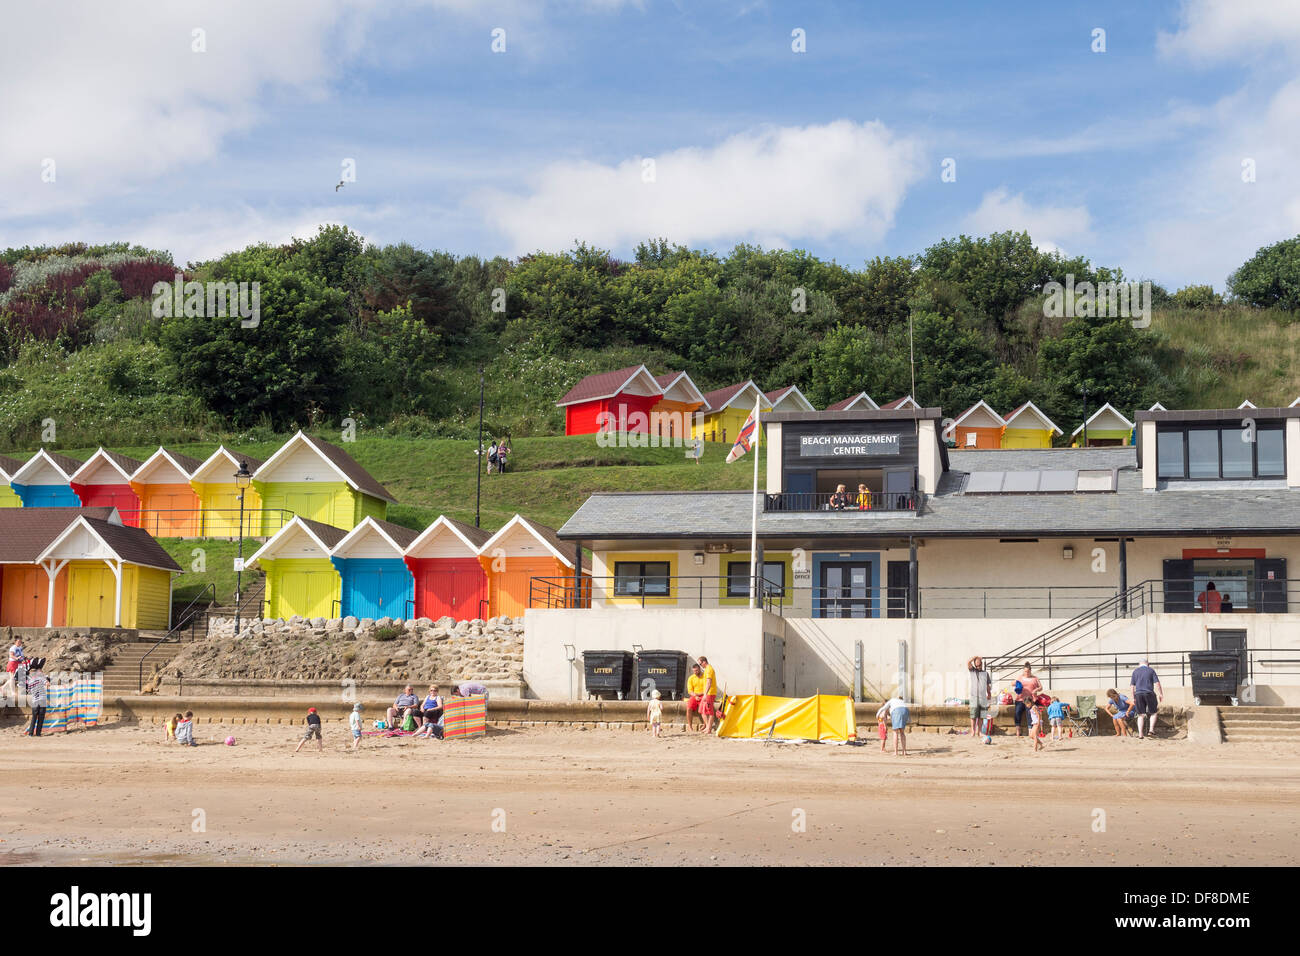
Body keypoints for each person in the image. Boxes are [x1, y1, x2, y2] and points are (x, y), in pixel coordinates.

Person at [1129, 659, 1164, 739]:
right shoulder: (1151, 670)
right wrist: (1161, 694)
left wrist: (1133, 697)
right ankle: (1151, 730)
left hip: (1138, 694)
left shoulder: (1135, 671)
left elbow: (1132, 686)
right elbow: (1157, 683)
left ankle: (1140, 734)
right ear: (1147, 664)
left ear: (1139, 664)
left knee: (1140, 715)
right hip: (1149, 693)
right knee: (1154, 712)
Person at [966, 655, 993, 741]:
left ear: (982, 664)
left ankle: (980, 731)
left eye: (979, 665)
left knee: (981, 716)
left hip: (983, 697)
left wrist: (989, 693)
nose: (978, 667)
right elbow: (968, 662)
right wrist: (976, 657)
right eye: (976, 665)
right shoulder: (973, 671)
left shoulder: (985, 673)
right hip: (974, 696)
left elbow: (987, 685)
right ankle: (973, 731)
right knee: (973, 715)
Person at [1013, 663, 1042, 737]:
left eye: (1028, 671)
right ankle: (1018, 729)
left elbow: (1041, 687)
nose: (1026, 673)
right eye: (1025, 671)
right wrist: (1017, 684)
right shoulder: (1020, 677)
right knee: (1017, 713)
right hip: (1020, 699)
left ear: (1030, 671)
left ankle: (1030, 730)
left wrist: (1036, 689)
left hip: (1030, 699)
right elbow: (1012, 683)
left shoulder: (1035, 678)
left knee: (1030, 714)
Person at [23, 658, 48, 737]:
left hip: (34, 701)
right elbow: (48, 683)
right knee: (41, 718)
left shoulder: (30, 681)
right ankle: (38, 733)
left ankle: (30, 733)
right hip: (42, 700)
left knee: (34, 718)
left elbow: (29, 691)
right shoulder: (41, 678)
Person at [697, 656, 718, 734]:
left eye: (700, 663)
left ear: (704, 662)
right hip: (708, 693)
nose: (700, 665)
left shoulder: (709, 669)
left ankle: (708, 729)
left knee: (710, 711)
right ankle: (707, 726)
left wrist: (705, 694)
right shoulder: (707, 670)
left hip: (710, 693)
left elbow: (709, 683)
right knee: (702, 709)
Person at [685, 663, 705, 732]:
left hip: (703, 695)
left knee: (704, 708)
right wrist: (695, 696)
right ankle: (690, 727)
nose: (695, 672)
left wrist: (700, 694)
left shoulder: (705, 676)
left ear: (699, 669)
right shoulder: (691, 678)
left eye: (696, 670)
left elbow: (708, 689)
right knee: (688, 708)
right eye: (694, 671)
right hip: (694, 696)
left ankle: (705, 724)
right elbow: (690, 691)